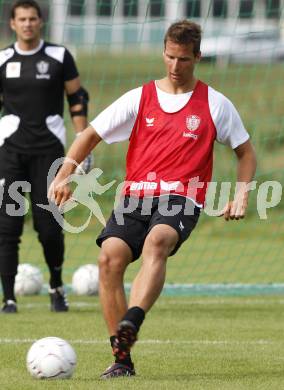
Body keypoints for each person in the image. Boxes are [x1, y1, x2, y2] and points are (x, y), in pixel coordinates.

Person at [49, 20, 257, 378]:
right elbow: (90, 135)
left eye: (185, 60)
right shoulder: (139, 97)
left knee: (157, 242)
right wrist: (65, 173)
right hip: (135, 195)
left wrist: (241, 194)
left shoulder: (215, 104)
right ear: (163, 52)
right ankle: (121, 359)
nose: (176, 67)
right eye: (170, 57)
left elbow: (246, 153)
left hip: (182, 196)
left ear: (198, 57)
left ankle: (133, 318)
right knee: (108, 260)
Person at [0, 0, 90, 313]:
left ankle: (56, 286)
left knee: (49, 226)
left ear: (41, 22)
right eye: (21, 19)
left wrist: (81, 139)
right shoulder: (2, 59)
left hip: (49, 154)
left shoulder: (58, 56)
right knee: (7, 224)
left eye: (33, 19)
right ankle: (8, 297)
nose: (27, 24)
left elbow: (77, 97)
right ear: (12, 24)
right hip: (10, 152)